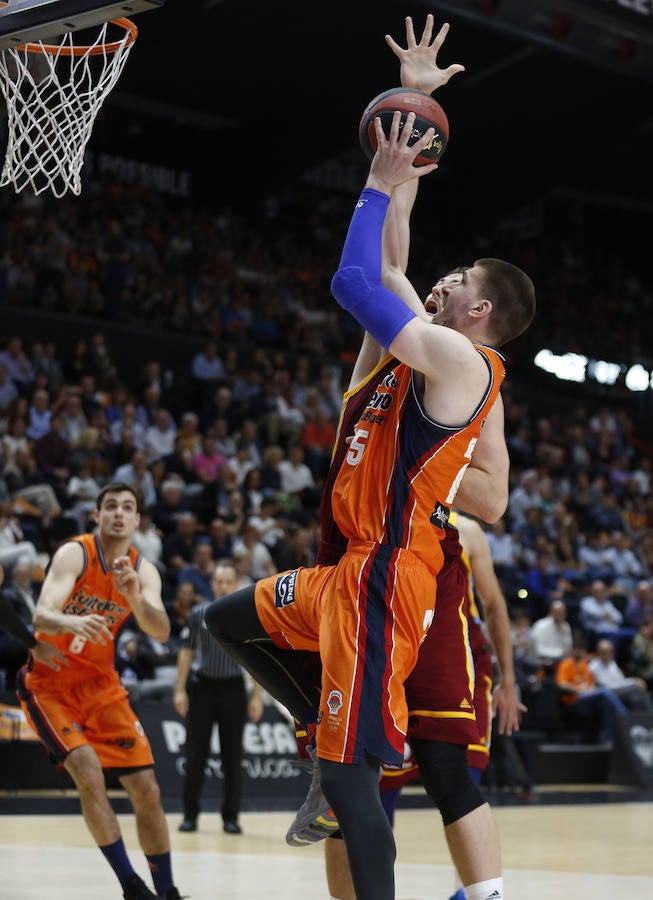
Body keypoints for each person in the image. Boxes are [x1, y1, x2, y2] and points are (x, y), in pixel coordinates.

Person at [205, 15, 534, 900]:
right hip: (345, 566)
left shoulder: (464, 362)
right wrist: (415, 114)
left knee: (362, 782)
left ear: (479, 311)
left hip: (389, 576)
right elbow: (388, 260)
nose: (443, 277)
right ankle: (321, 724)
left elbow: (355, 279)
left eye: (460, 277)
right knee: (223, 619)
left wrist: (378, 181)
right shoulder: (413, 348)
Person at [319, 509, 523, 900]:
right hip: (387, 646)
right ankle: (373, 888)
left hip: (453, 651)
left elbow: (495, 606)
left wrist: (508, 680)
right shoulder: (372, 513)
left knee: (457, 773)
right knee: (371, 787)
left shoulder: (467, 531)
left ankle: (466, 892)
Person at [15, 483, 184, 900]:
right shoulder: (76, 552)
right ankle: (130, 884)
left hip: (102, 686)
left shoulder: (143, 570)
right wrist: (72, 623)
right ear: (97, 515)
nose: (119, 514)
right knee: (88, 772)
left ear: (138, 520)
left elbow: (161, 631)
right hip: (50, 684)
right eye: (111, 507)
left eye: (128, 507)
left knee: (148, 790)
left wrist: (135, 601)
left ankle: (168, 892)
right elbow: (42, 612)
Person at [173, 560, 263, 835]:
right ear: (212, 585)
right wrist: (179, 689)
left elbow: (258, 658)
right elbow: (187, 652)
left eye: (228, 581)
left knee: (233, 757)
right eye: (219, 581)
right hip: (203, 689)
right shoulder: (199, 613)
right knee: (195, 754)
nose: (223, 586)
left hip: (234, 690)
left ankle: (231, 817)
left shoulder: (245, 615)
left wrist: (256, 695)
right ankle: (190, 815)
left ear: (235, 584)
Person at [0, 563, 67, 674]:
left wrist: (34, 645)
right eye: (21, 575)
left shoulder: (36, 593)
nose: (24, 577)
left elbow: (5, 614)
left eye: (27, 575)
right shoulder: (10, 594)